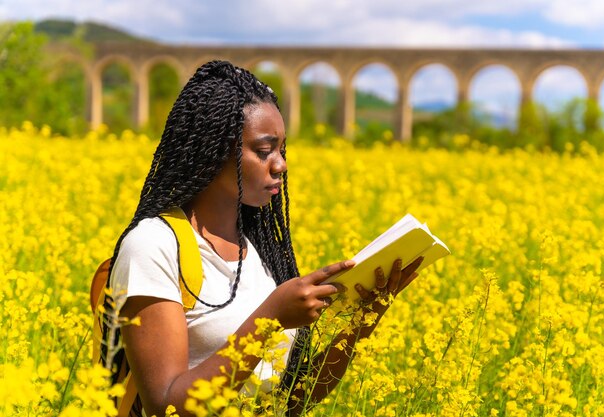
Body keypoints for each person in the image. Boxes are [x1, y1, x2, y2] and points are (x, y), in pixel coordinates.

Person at [105, 60, 424, 417]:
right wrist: (269, 318)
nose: (280, 164)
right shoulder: (153, 246)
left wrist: (358, 325)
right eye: (263, 150)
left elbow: (291, 400)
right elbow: (165, 404)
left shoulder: (259, 251)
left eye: (282, 150)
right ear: (213, 150)